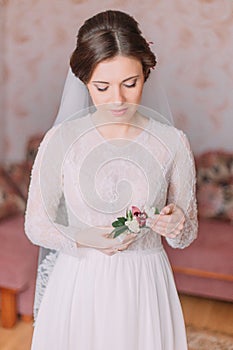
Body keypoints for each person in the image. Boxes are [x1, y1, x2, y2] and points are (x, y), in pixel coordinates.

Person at [25, 10, 198, 350]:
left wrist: (176, 223)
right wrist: (83, 237)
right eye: (102, 87)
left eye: (129, 84)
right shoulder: (61, 140)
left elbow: (187, 233)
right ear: (84, 80)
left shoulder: (173, 142)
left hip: (145, 284)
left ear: (146, 75)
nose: (117, 99)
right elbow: (36, 225)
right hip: (79, 282)